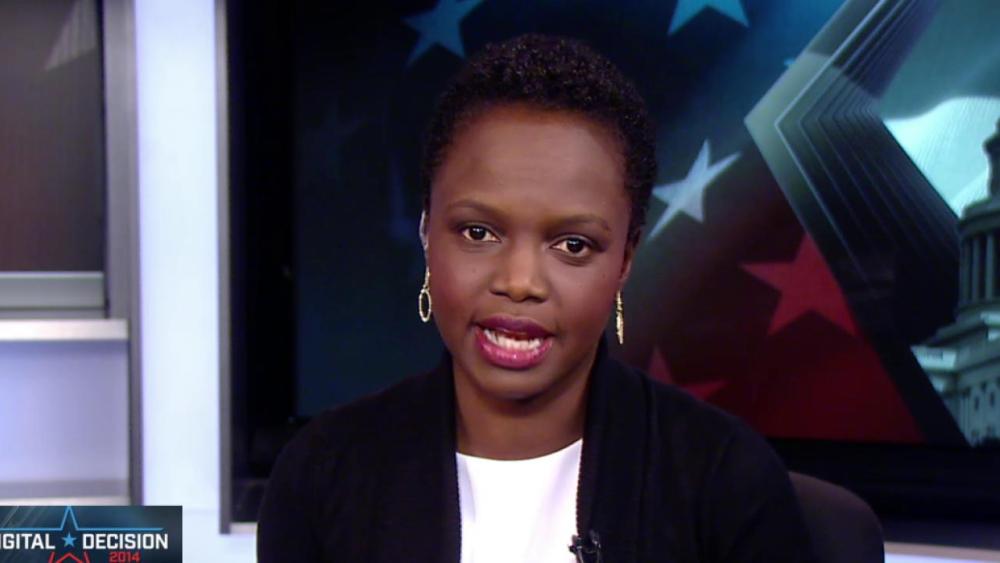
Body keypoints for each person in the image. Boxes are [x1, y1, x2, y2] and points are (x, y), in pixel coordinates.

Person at [257, 33, 817, 562]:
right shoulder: (321, 474)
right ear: (427, 231)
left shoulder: (726, 480)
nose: (521, 281)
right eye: (479, 232)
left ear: (625, 259)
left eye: (573, 244)